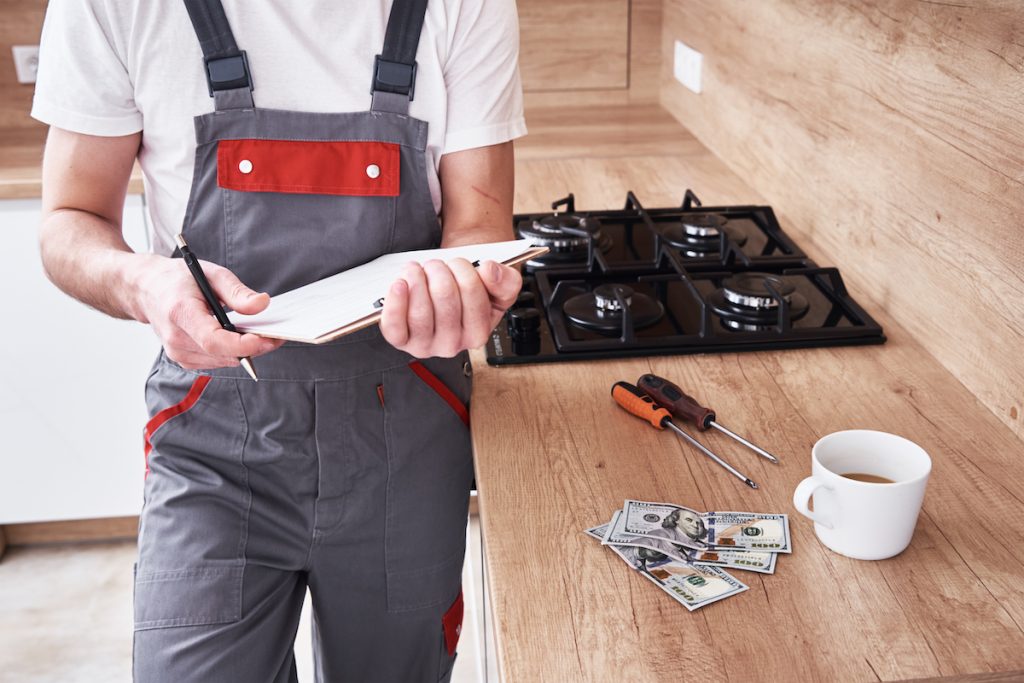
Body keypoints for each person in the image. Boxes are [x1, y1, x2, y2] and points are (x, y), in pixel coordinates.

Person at [32, 0, 525, 680]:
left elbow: (479, 222)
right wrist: (143, 282)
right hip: (214, 442)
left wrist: (464, 286)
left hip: (406, 440)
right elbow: (69, 219)